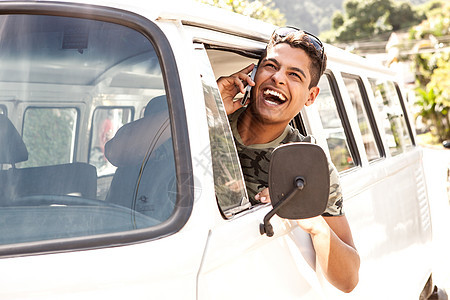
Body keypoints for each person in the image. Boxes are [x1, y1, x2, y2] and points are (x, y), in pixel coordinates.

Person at [217, 27, 360, 293]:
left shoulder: (310, 164)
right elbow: (120, 151)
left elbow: (348, 279)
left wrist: (314, 222)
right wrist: (209, 109)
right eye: (270, 66)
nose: (278, 78)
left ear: (311, 96)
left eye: (294, 75)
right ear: (254, 75)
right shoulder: (206, 119)